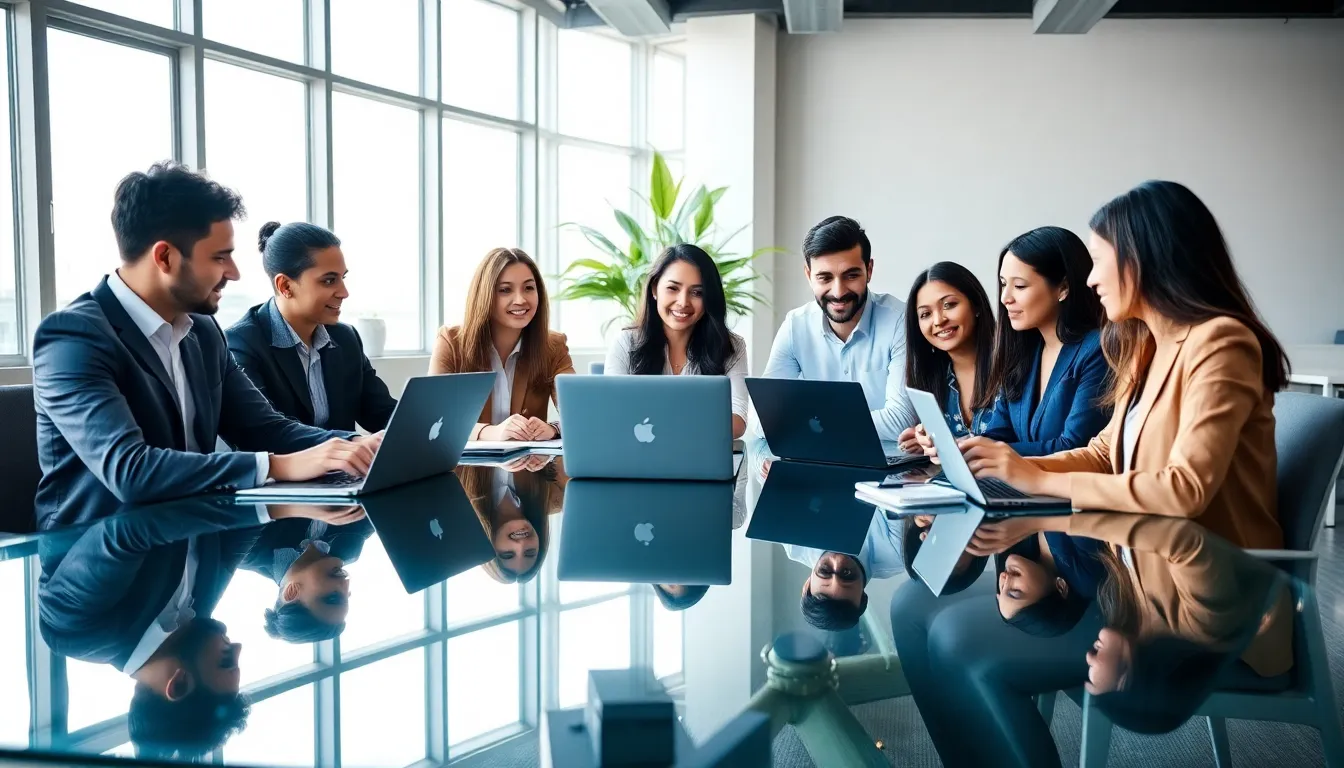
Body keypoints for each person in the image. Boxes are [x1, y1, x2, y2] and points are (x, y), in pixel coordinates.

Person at [894, 180, 1290, 768]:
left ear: (1143, 259)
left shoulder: (1219, 342)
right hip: (1140, 576)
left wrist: (1030, 476)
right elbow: (1106, 450)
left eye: (1100, 260)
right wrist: (1021, 469)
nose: (1093, 278)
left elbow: (1184, 489)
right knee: (910, 606)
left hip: (1202, 604)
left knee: (955, 642)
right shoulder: (1147, 347)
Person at [31, 162, 381, 530]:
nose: (234, 272)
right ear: (164, 257)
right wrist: (280, 465)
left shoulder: (203, 331)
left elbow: (264, 428)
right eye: (219, 257)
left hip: (190, 547)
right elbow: (130, 470)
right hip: (99, 559)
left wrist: (360, 446)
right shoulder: (71, 337)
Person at [914, 226, 1109, 461]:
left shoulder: (1096, 350)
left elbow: (1075, 448)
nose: (1005, 297)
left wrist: (976, 450)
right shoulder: (1024, 352)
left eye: (1019, 286)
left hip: (1065, 493)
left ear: (1063, 288)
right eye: (1003, 284)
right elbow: (1000, 434)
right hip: (1017, 490)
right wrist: (954, 445)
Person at [226, 221, 397, 432]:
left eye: (342, 278)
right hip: (286, 464)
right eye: (328, 281)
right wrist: (350, 446)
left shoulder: (346, 338)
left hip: (344, 464)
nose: (344, 292)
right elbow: (266, 433)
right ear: (285, 286)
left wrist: (424, 428)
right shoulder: (242, 344)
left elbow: (380, 412)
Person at [761, 216, 916, 443]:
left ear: (869, 270)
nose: (838, 291)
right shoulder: (796, 325)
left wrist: (814, 424)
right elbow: (763, 417)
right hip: (818, 463)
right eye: (824, 278)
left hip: (887, 470)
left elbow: (900, 422)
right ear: (808, 275)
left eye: (851, 275)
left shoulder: (900, 322)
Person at [605, 244, 749, 439]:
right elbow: (613, 415)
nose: (683, 302)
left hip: (701, 460)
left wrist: (659, 423)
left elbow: (738, 422)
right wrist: (694, 423)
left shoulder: (732, 346)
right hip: (639, 460)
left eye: (697, 292)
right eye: (673, 288)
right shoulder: (626, 342)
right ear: (654, 289)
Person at [430, 248, 573, 442]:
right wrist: (491, 432)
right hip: (465, 471)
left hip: (529, 469)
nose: (520, 299)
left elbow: (581, 415)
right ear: (485, 295)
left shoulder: (553, 346)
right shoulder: (452, 342)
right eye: (505, 290)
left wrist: (553, 428)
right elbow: (434, 419)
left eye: (529, 288)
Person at [895, 261, 997, 454]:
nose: (938, 320)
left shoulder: (1011, 365)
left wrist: (953, 446)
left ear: (976, 305)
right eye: (925, 314)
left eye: (949, 305)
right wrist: (929, 441)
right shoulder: (933, 378)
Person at [238, 514, 374, 643]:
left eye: (333, 598)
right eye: (347, 596)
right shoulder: (351, 545)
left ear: (291, 592)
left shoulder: (248, 550)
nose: (346, 583)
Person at [787, 511, 905, 631]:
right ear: (862, 595)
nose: (837, 560)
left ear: (807, 585)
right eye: (847, 574)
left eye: (825, 571)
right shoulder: (897, 553)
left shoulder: (791, 538)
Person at [456, 456, 566, 584]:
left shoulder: (459, 492)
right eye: (529, 552)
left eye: (508, 554)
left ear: (489, 547)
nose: (521, 545)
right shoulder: (556, 498)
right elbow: (575, 447)